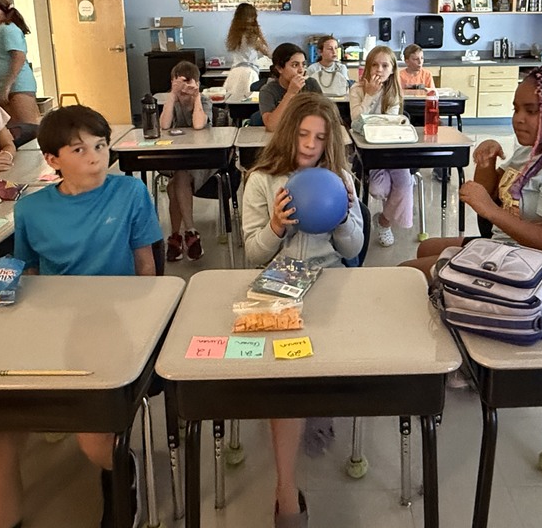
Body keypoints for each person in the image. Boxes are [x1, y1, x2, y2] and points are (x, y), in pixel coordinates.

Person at [0, 104, 162, 528]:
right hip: (52, 327)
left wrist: (143, 322)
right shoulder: (31, 209)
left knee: (94, 441)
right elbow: (33, 274)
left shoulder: (130, 193)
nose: (95, 157)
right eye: (79, 150)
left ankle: (121, 473)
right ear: (53, 160)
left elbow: (146, 268)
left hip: (113, 325)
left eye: (100, 146)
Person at [241, 93, 363, 528]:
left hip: (329, 285)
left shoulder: (341, 178)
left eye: (320, 137)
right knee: (287, 378)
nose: (310, 145)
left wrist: (346, 215)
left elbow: (353, 249)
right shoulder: (260, 180)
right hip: (277, 289)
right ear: (289, 131)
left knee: (331, 362)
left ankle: (317, 402)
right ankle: (285, 488)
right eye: (303, 134)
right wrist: (276, 226)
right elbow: (254, 255)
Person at [405, 64, 542, 277]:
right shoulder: (529, 151)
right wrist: (486, 163)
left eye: (531, 111)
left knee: (406, 273)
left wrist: (491, 210)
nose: (518, 118)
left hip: (535, 267)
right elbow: (491, 192)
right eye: (516, 109)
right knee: (426, 248)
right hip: (507, 247)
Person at [349, 45, 413, 247]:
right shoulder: (357, 90)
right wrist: (369, 95)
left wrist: (376, 121)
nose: (379, 70)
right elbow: (356, 123)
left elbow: (389, 124)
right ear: (367, 68)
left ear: (393, 69)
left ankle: (384, 222)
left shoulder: (393, 91)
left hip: (392, 149)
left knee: (404, 184)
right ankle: (387, 213)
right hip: (368, 150)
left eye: (385, 65)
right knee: (377, 188)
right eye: (374, 65)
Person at [159, 60, 214, 262]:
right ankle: (190, 233)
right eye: (178, 83)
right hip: (178, 158)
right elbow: (163, 126)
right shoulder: (172, 102)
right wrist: (172, 96)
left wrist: (196, 96)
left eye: (187, 83)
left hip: (204, 159)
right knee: (176, 181)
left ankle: (177, 236)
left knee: (177, 181)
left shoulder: (205, 101)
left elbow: (199, 125)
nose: (183, 89)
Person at [260, 42, 323, 131]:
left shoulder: (311, 84)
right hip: (280, 138)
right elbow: (272, 126)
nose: (301, 70)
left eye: (303, 64)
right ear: (279, 68)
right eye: (295, 65)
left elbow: (324, 117)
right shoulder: (268, 90)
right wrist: (290, 93)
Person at [223, 2, 271, 100]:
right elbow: (268, 52)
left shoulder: (234, 34)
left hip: (234, 72)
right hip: (248, 73)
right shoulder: (252, 37)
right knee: (249, 103)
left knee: (233, 103)